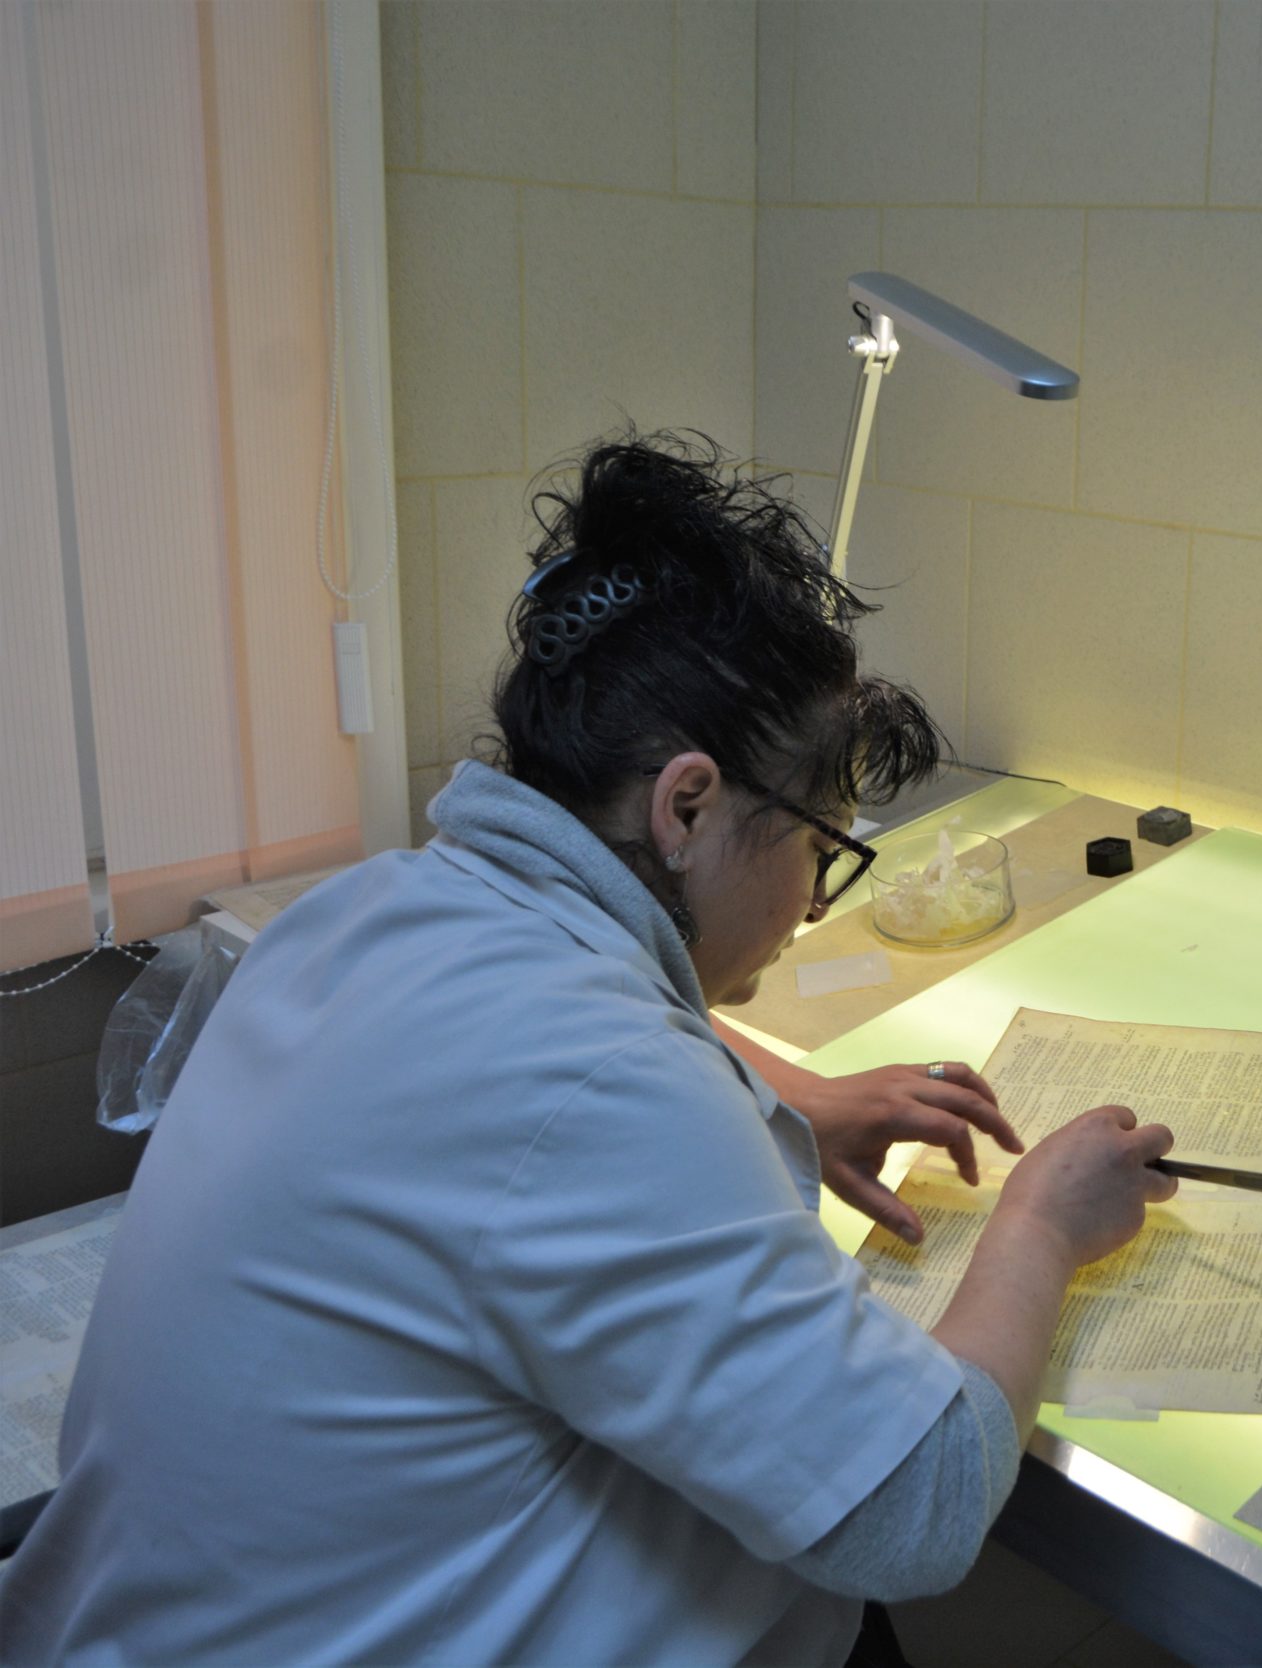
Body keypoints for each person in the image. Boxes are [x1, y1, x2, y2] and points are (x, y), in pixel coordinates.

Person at [0, 434, 1177, 1666]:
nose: (808, 905)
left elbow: (532, 1082)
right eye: (818, 849)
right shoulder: (600, 1086)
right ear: (686, 806)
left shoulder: (363, 911)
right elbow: (916, 1510)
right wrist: (1039, 1226)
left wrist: (784, 1098)